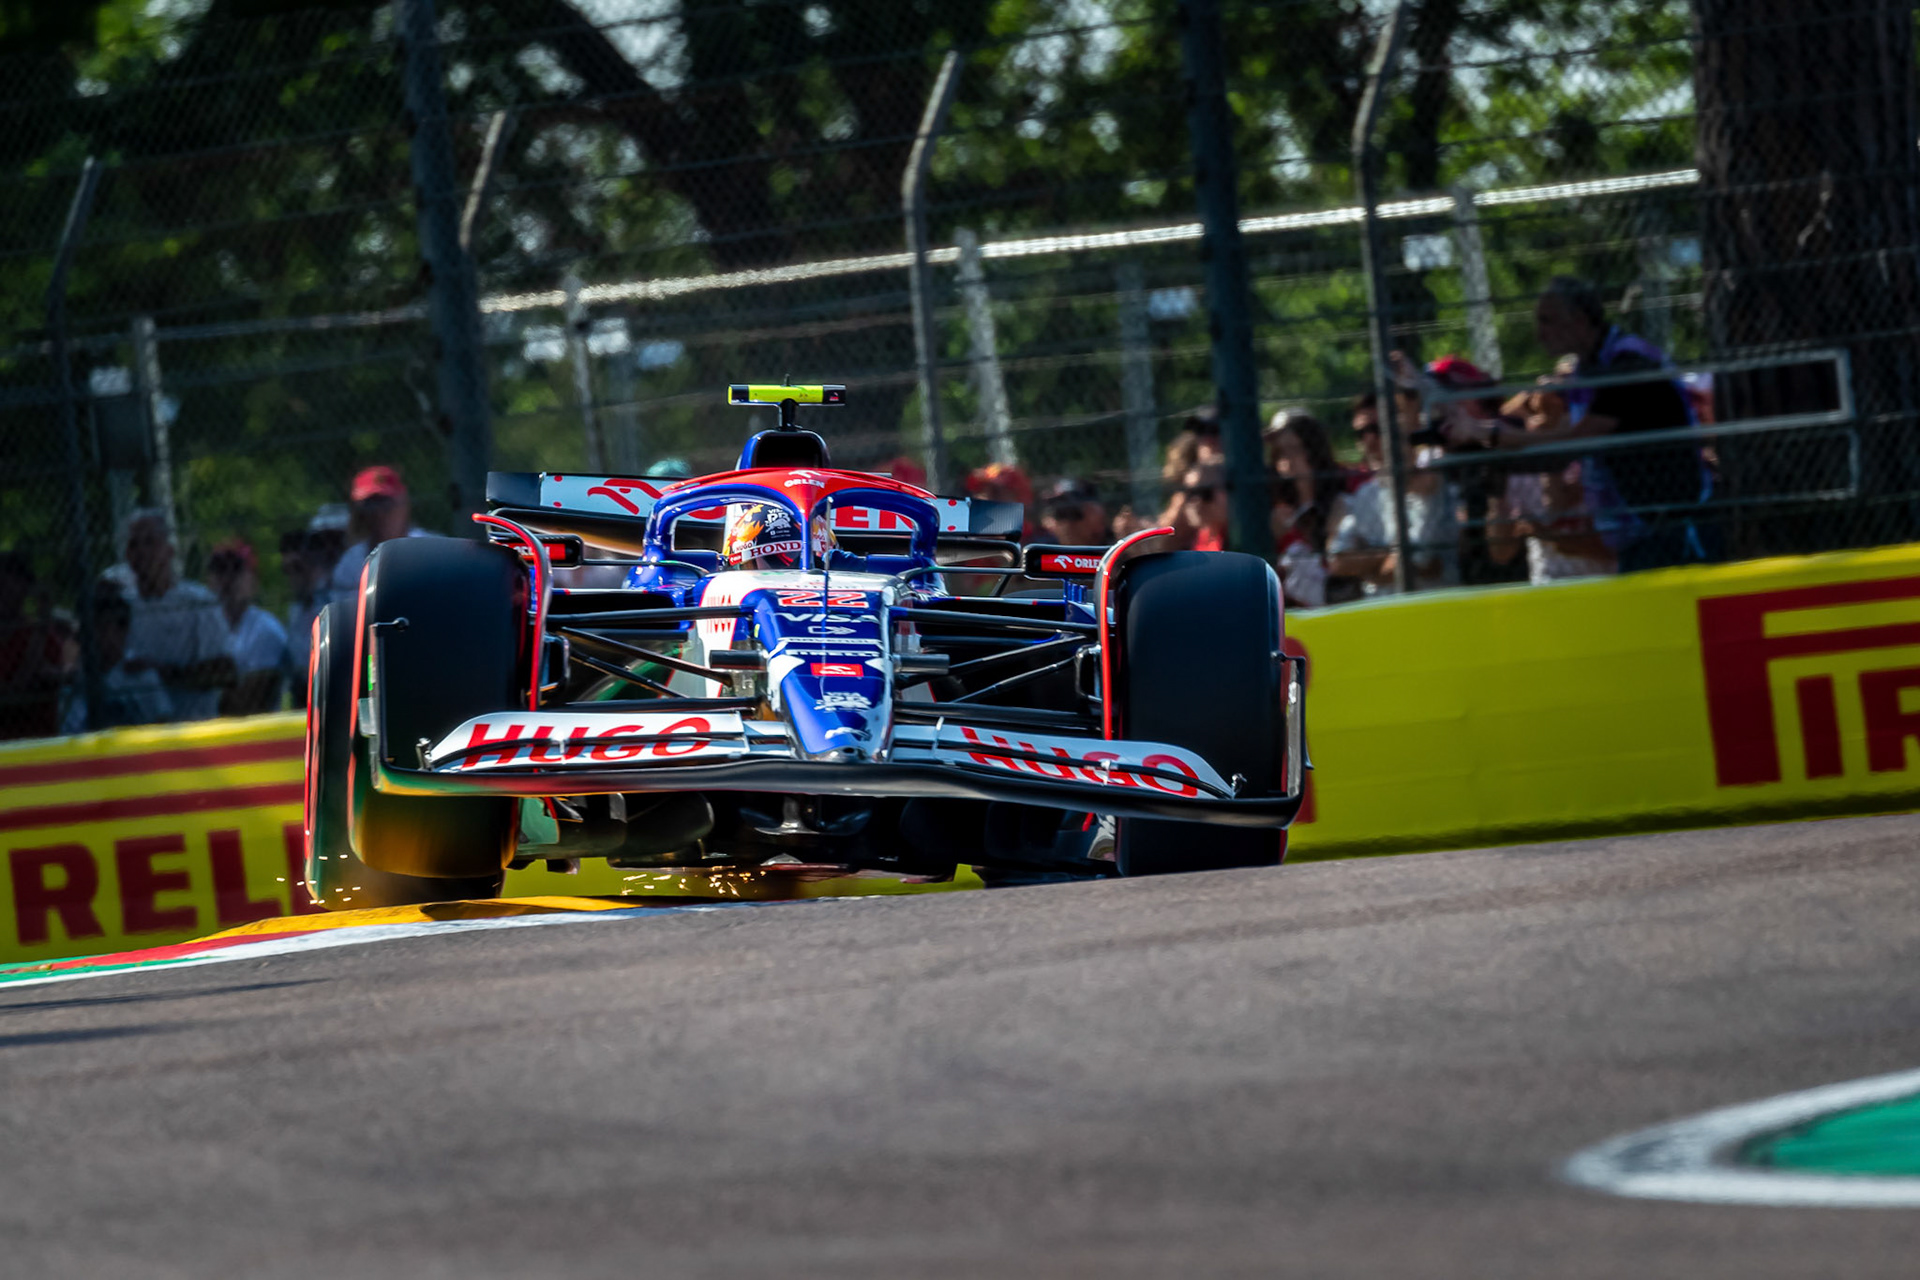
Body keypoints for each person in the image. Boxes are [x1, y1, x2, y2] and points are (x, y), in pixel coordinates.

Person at [1439, 276, 1708, 572]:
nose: (1539, 334)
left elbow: (1572, 445)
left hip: (1672, 529)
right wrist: (1483, 439)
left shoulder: (1627, 364)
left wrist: (1486, 433)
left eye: (1547, 321)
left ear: (1578, 320)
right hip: (1637, 534)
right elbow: (1541, 427)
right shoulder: (1587, 370)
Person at [1327, 376, 1460, 596]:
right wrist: (1388, 559)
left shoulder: (1430, 483)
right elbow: (1339, 561)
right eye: (1361, 433)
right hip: (1381, 613)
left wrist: (1369, 567)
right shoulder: (1365, 495)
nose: (1369, 441)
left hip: (1434, 607)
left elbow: (1425, 564)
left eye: (1376, 429)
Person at [116, 509, 234, 720]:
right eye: (134, 544)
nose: (142, 551)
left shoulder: (199, 602)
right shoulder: (122, 606)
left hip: (195, 728)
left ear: (169, 549)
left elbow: (225, 672)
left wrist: (161, 673)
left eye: (150, 542)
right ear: (127, 554)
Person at [1263, 410, 1351, 608]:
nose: (1285, 458)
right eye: (1279, 451)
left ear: (1313, 450)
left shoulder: (1339, 502)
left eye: (1293, 449)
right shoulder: (1275, 503)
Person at [60, 583, 172, 734]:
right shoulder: (77, 681)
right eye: (92, 628)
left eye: (105, 627)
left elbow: (163, 724)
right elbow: (68, 732)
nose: (98, 637)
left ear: (124, 631)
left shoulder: (141, 676)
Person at [208, 540, 287, 716]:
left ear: (254, 580)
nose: (227, 579)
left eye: (236, 569)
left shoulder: (266, 629)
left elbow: (251, 701)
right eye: (220, 570)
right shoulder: (205, 626)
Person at [330, 465, 437, 594]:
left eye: (386, 503)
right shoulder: (351, 561)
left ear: (404, 504)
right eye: (370, 504)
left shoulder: (432, 550)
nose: (378, 513)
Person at [0, 551, 65, 739]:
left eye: (6, 587)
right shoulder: (41, 633)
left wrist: (42, 630)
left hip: (38, 742)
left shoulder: (45, 638)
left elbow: (24, 695)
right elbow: (12, 696)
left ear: (25, 589)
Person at [1037, 479, 1110, 546]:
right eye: (1061, 514)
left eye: (1075, 514)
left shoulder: (1114, 552)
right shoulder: (1040, 552)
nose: (1068, 524)